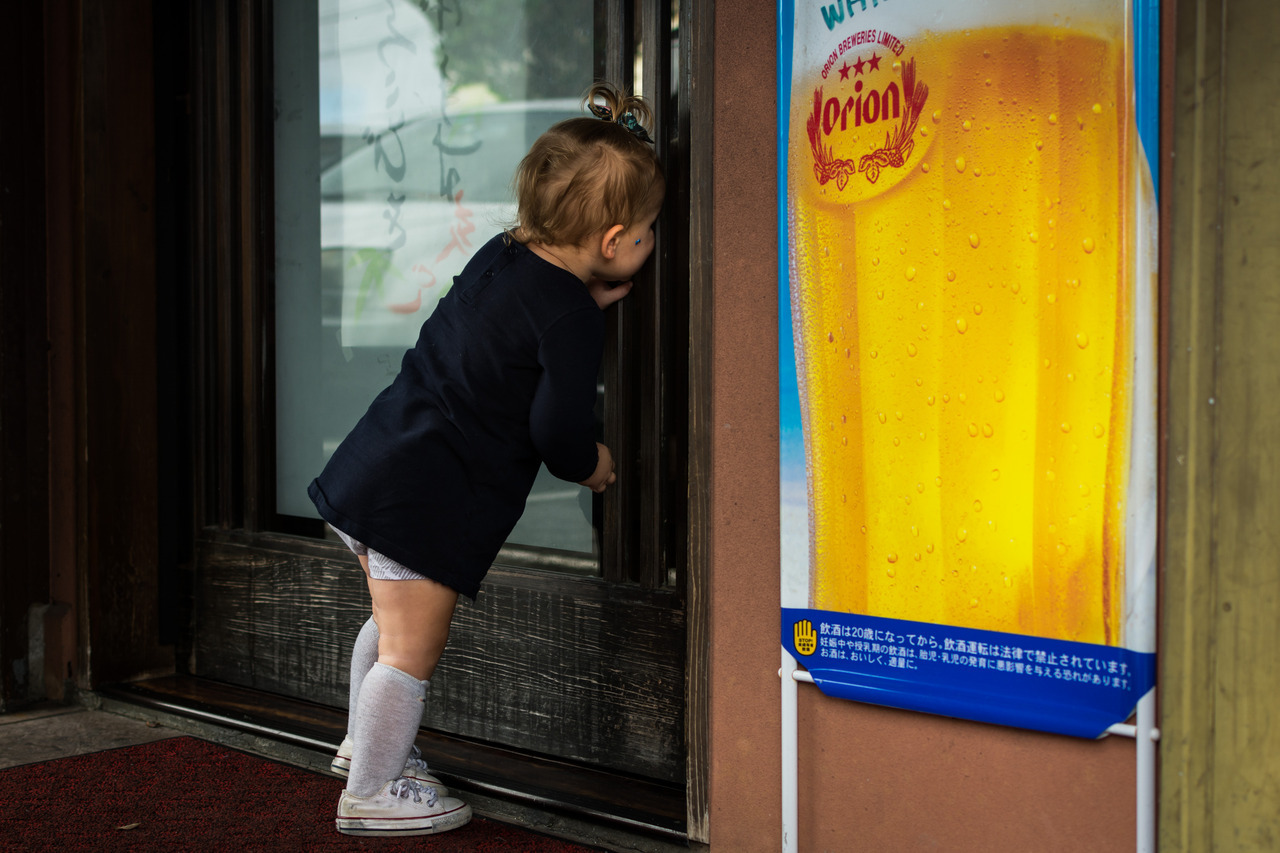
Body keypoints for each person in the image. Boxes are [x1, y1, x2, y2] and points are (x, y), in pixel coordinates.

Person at [307, 80, 665, 837]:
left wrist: (580, 304)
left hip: (378, 463)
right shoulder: (570, 319)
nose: (650, 240)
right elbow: (555, 429)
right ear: (613, 243)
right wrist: (593, 464)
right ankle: (373, 789)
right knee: (411, 648)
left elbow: (516, 323)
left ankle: (364, 748)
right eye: (649, 229)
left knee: (388, 624)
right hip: (425, 499)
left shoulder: (502, 255)